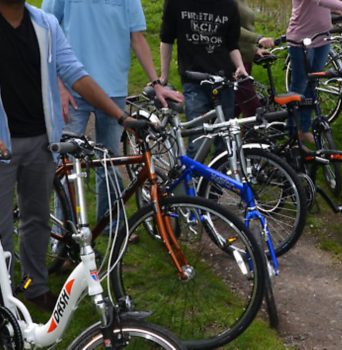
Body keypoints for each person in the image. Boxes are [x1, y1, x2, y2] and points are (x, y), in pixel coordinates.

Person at [0, 0, 138, 312]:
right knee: (1, 231)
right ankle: (4, 299)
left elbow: (76, 74)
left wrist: (121, 117)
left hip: (41, 140)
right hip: (3, 146)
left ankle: (34, 286)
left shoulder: (46, 24)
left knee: (36, 219)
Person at [41, 0, 183, 226]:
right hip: (72, 89)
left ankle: (111, 226)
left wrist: (157, 83)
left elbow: (137, 38)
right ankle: (65, 236)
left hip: (113, 92)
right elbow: (45, 30)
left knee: (109, 160)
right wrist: (57, 84)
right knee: (66, 166)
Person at [160, 0, 248, 158]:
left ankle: (220, 181)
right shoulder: (176, 3)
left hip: (223, 81)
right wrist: (163, 77)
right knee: (199, 141)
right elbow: (166, 39)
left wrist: (239, 66)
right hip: (194, 80)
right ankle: (191, 179)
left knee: (226, 141)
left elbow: (232, 45)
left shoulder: (228, 5)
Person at [287, 0, 342, 143]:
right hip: (301, 39)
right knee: (299, 86)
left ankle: (303, 129)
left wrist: (333, 9)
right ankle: (292, 132)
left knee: (313, 83)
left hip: (323, 39)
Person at [235, 0, 274, 118]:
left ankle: (243, 135)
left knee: (235, 107)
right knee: (252, 108)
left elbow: (245, 27)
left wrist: (255, 50)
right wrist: (258, 38)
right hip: (234, 60)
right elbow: (230, 27)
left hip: (246, 59)